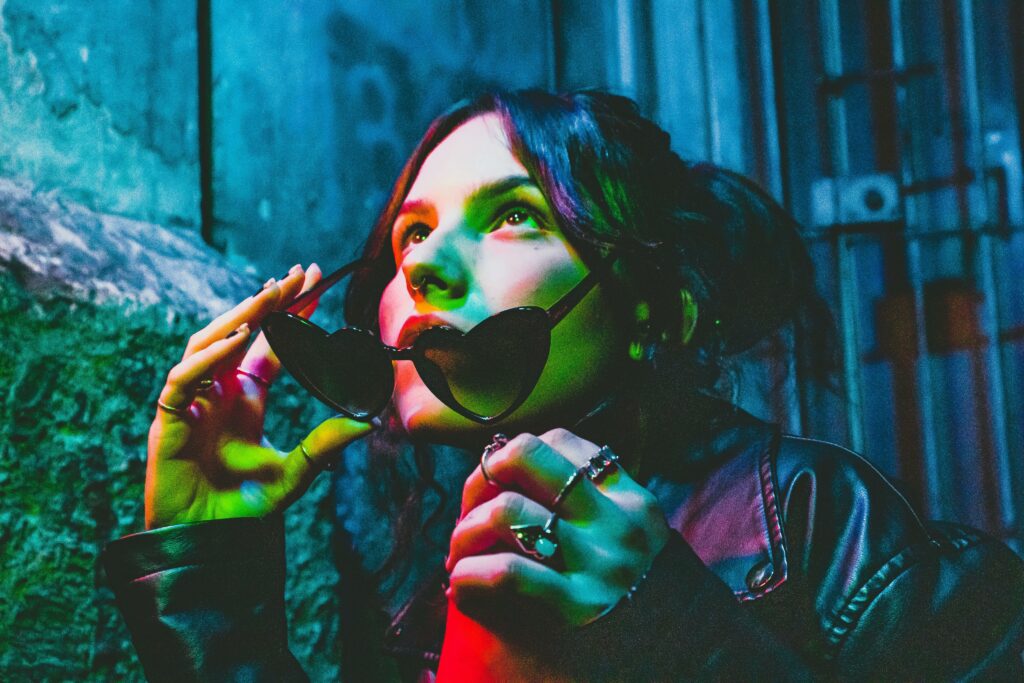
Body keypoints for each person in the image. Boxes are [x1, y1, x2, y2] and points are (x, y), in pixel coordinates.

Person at [102, 90, 1024, 681]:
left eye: (510, 216)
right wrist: (212, 590)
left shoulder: (827, 527)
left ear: (654, 311)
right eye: (410, 235)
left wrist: (679, 643)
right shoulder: (413, 583)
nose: (427, 266)